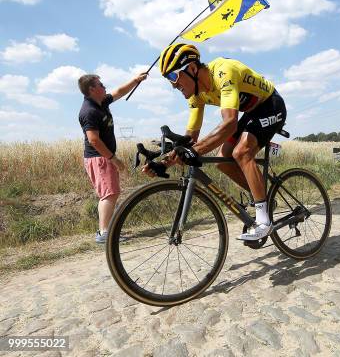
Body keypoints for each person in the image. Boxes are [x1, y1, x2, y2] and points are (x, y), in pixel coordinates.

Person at [145, 43, 286, 241]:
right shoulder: (195, 95)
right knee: (221, 161)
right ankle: (264, 197)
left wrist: (196, 151)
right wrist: (165, 161)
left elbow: (229, 123)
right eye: (168, 79)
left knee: (242, 153)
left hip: (271, 106)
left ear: (192, 69)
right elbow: (190, 140)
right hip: (252, 113)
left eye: (173, 76)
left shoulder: (223, 72)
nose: (173, 85)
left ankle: (264, 221)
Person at [78, 72, 148, 243]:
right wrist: (113, 159)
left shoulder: (101, 102)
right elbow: (93, 140)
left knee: (111, 193)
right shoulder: (89, 111)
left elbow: (119, 92)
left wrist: (136, 80)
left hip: (103, 158)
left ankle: (106, 231)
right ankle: (104, 234)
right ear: (92, 89)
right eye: (101, 85)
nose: (105, 87)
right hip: (100, 158)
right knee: (109, 194)